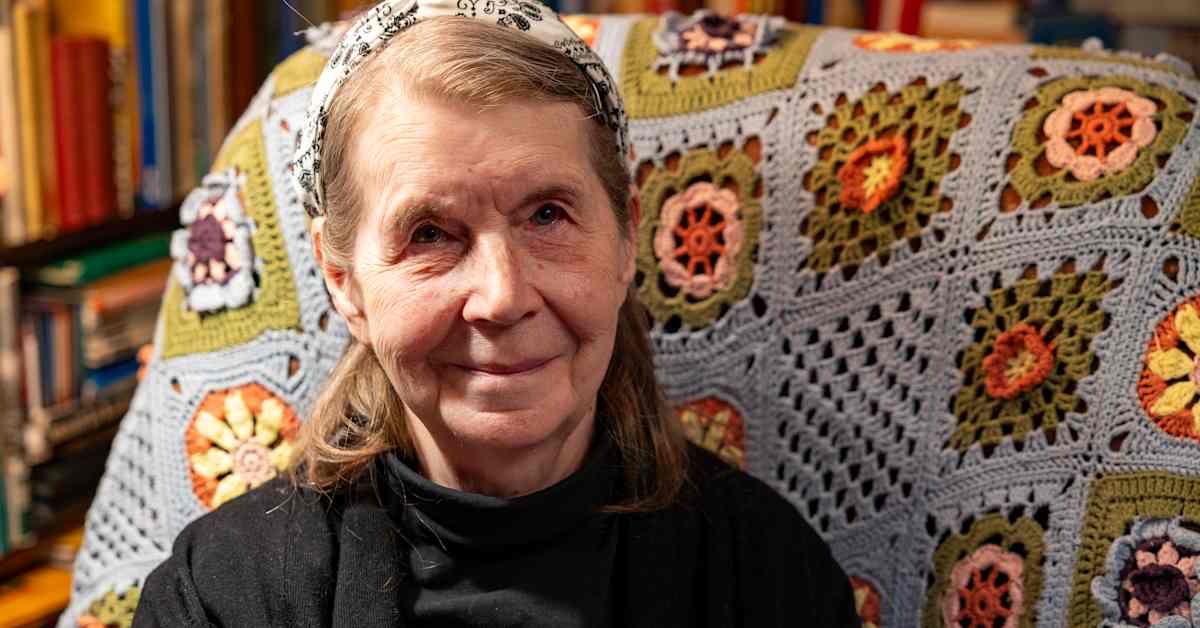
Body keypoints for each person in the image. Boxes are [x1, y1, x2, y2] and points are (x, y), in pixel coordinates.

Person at [134, 1, 860, 625]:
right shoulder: (221, 598)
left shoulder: (766, 576)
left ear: (626, 239)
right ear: (342, 281)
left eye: (547, 215)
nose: (503, 296)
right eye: (429, 234)